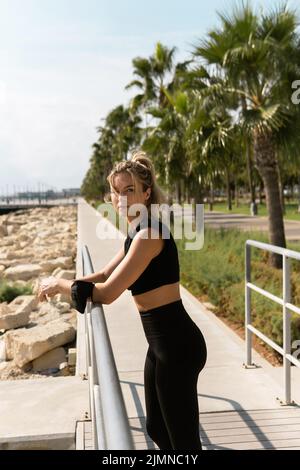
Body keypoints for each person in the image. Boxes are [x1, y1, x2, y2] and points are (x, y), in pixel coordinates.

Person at [37, 150, 207, 450]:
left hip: (177, 346)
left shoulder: (148, 237)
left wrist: (62, 285)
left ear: (146, 192)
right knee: (157, 428)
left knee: (183, 442)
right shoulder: (136, 233)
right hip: (160, 346)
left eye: (129, 190)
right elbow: (103, 274)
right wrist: (61, 282)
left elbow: (107, 293)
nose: (121, 198)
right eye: (116, 192)